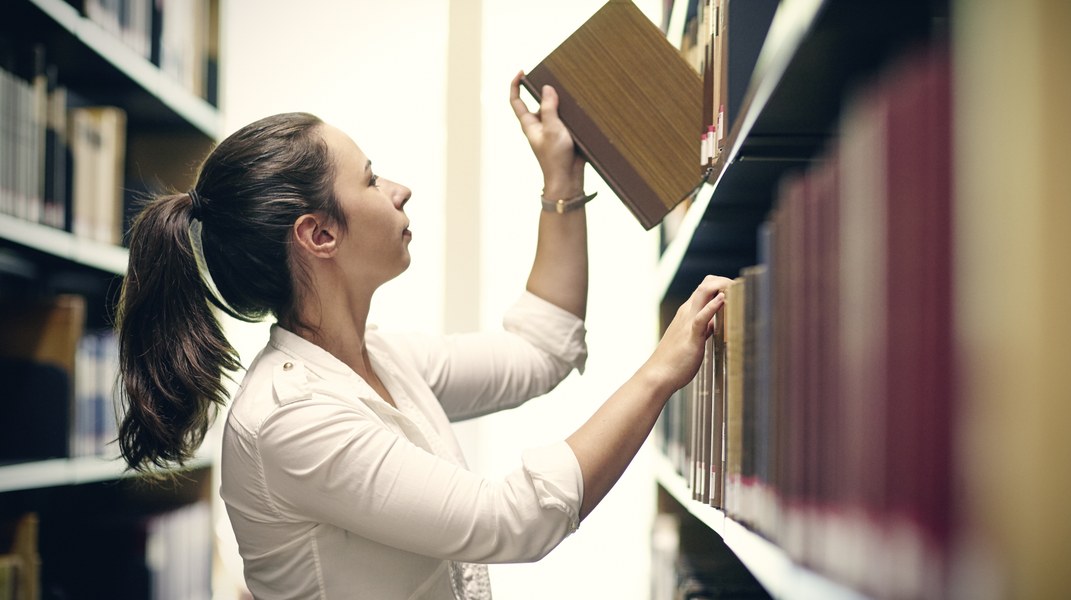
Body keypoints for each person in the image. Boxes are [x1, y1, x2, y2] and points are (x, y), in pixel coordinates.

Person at [116, 72, 730, 599]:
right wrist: (659, 374)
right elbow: (513, 520)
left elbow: (542, 350)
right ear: (320, 236)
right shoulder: (292, 418)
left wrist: (562, 181)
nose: (399, 189)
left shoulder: (379, 357)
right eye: (371, 180)